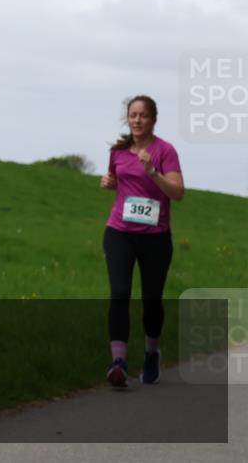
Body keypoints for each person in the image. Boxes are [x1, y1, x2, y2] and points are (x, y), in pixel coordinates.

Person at [99, 95, 184, 389]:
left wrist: (152, 172)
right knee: (120, 293)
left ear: (153, 119)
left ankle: (150, 353)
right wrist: (109, 183)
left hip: (155, 238)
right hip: (119, 232)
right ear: (128, 118)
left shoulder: (165, 151)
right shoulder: (119, 151)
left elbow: (178, 192)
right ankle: (119, 362)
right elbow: (116, 180)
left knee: (151, 301)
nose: (137, 120)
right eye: (133, 115)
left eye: (143, 115)